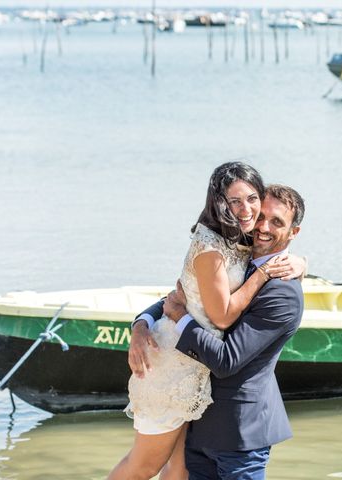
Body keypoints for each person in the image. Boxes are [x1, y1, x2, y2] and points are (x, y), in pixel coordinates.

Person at [108, 164, 305, 480]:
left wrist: (181, 318)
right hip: (187, 388)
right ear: (221, 203)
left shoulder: (278, 287)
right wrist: (142, 323)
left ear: (293, 232)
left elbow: (225, 356)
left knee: (172, 469)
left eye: (275, 221)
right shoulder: (231, 247)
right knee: (152, 467)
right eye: (257, 213)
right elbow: (187, 296)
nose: (260, 223)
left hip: (232, 418)